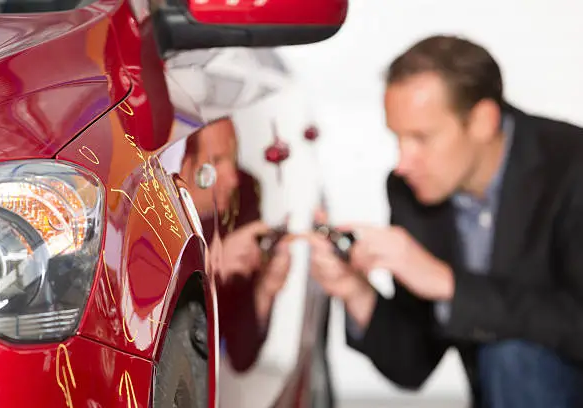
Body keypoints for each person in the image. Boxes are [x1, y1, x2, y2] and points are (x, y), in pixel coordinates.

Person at [308, 34, 583, 408]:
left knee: (514, 354)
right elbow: (412, 365)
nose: (403, 163)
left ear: (483, 121)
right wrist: (357, 290)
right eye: (398, 139)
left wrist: (447, 284)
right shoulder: (412, 190)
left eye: (422, 138)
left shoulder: (572, 166)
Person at [178, 117, 291, 371]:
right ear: (181, 170)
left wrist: (265, 289)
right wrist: (211, 269)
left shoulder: (244, 197)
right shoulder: (147, 219)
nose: (234, 179)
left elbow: (241, 356)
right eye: (216, 162)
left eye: (234, 158)